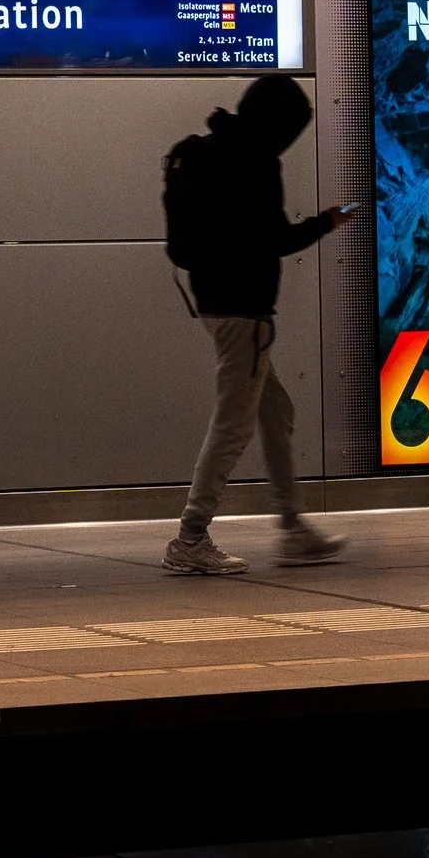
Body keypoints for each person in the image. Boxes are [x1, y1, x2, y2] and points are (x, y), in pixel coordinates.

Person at [161, 75, 353, 575]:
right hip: (244, 313)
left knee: (275, 410)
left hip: (214, 305)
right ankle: (190, 537)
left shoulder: (211, 149)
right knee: (233, 424)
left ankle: (293, 527)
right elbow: (277, 241)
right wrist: (328, 222)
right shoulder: (256, 161)